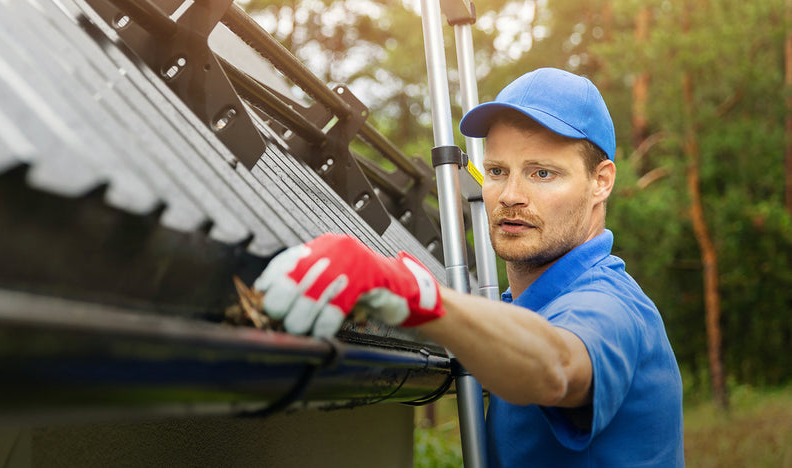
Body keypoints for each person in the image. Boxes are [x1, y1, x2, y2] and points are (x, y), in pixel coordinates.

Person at [254, 68, 685, 467]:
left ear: (601, 181)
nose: (510, 195)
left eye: (542, 174)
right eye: (497, 170)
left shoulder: (611, 306)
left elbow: (556, 367)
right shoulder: (519, 308)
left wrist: (418, 299)